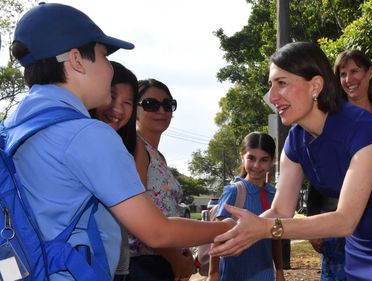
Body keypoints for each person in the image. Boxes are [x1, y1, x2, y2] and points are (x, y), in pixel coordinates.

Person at [5, 3, 233, 280]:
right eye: (103, 56)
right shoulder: (85, 134)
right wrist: (228, 228)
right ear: (76, 60)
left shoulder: (15, 124)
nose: (110, 70)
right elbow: (156, 231)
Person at [210, 41, 372, 281]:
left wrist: (265, 229)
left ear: (316, 86)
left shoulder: (364, 129)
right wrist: (230, 231)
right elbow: (280, 210)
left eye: (282, 83)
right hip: (360, 239)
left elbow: (345, 220)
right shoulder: (295, 142)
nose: (272, 97)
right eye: (270, 85)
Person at [305, 49, 372, 280]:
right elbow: (317, 170)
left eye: (354, 71)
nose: (348, 79)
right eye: (342, 73)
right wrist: (313, 220)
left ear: (369, 73)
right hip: (335, 220)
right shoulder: (327, 119)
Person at [129, 78, 194, 281]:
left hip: (163, 262)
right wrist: (175, 258)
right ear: (134, 109)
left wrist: (185, 253)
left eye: (168, 105)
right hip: (145, 264)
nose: (161, 111)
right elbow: (137, 214)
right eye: (150, 104)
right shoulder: (137, 148)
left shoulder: (157, 155)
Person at [207, 132, 285, 281]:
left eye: (264, 160)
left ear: (272, 161)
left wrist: (280, 271)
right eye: (251, 158)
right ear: (242, 156)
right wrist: (213, 274)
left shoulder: (275, 195)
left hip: (266, 274)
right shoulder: (234, 191)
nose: (256, 165)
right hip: (233, 274)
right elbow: (217, 236)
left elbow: (277, 238)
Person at [90, 60, 139, 281]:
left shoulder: (122, 148)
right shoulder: (89, 142)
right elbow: (153, 230)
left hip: (116, 268)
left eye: (128, 102)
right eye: (111, 95)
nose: (117, 109)